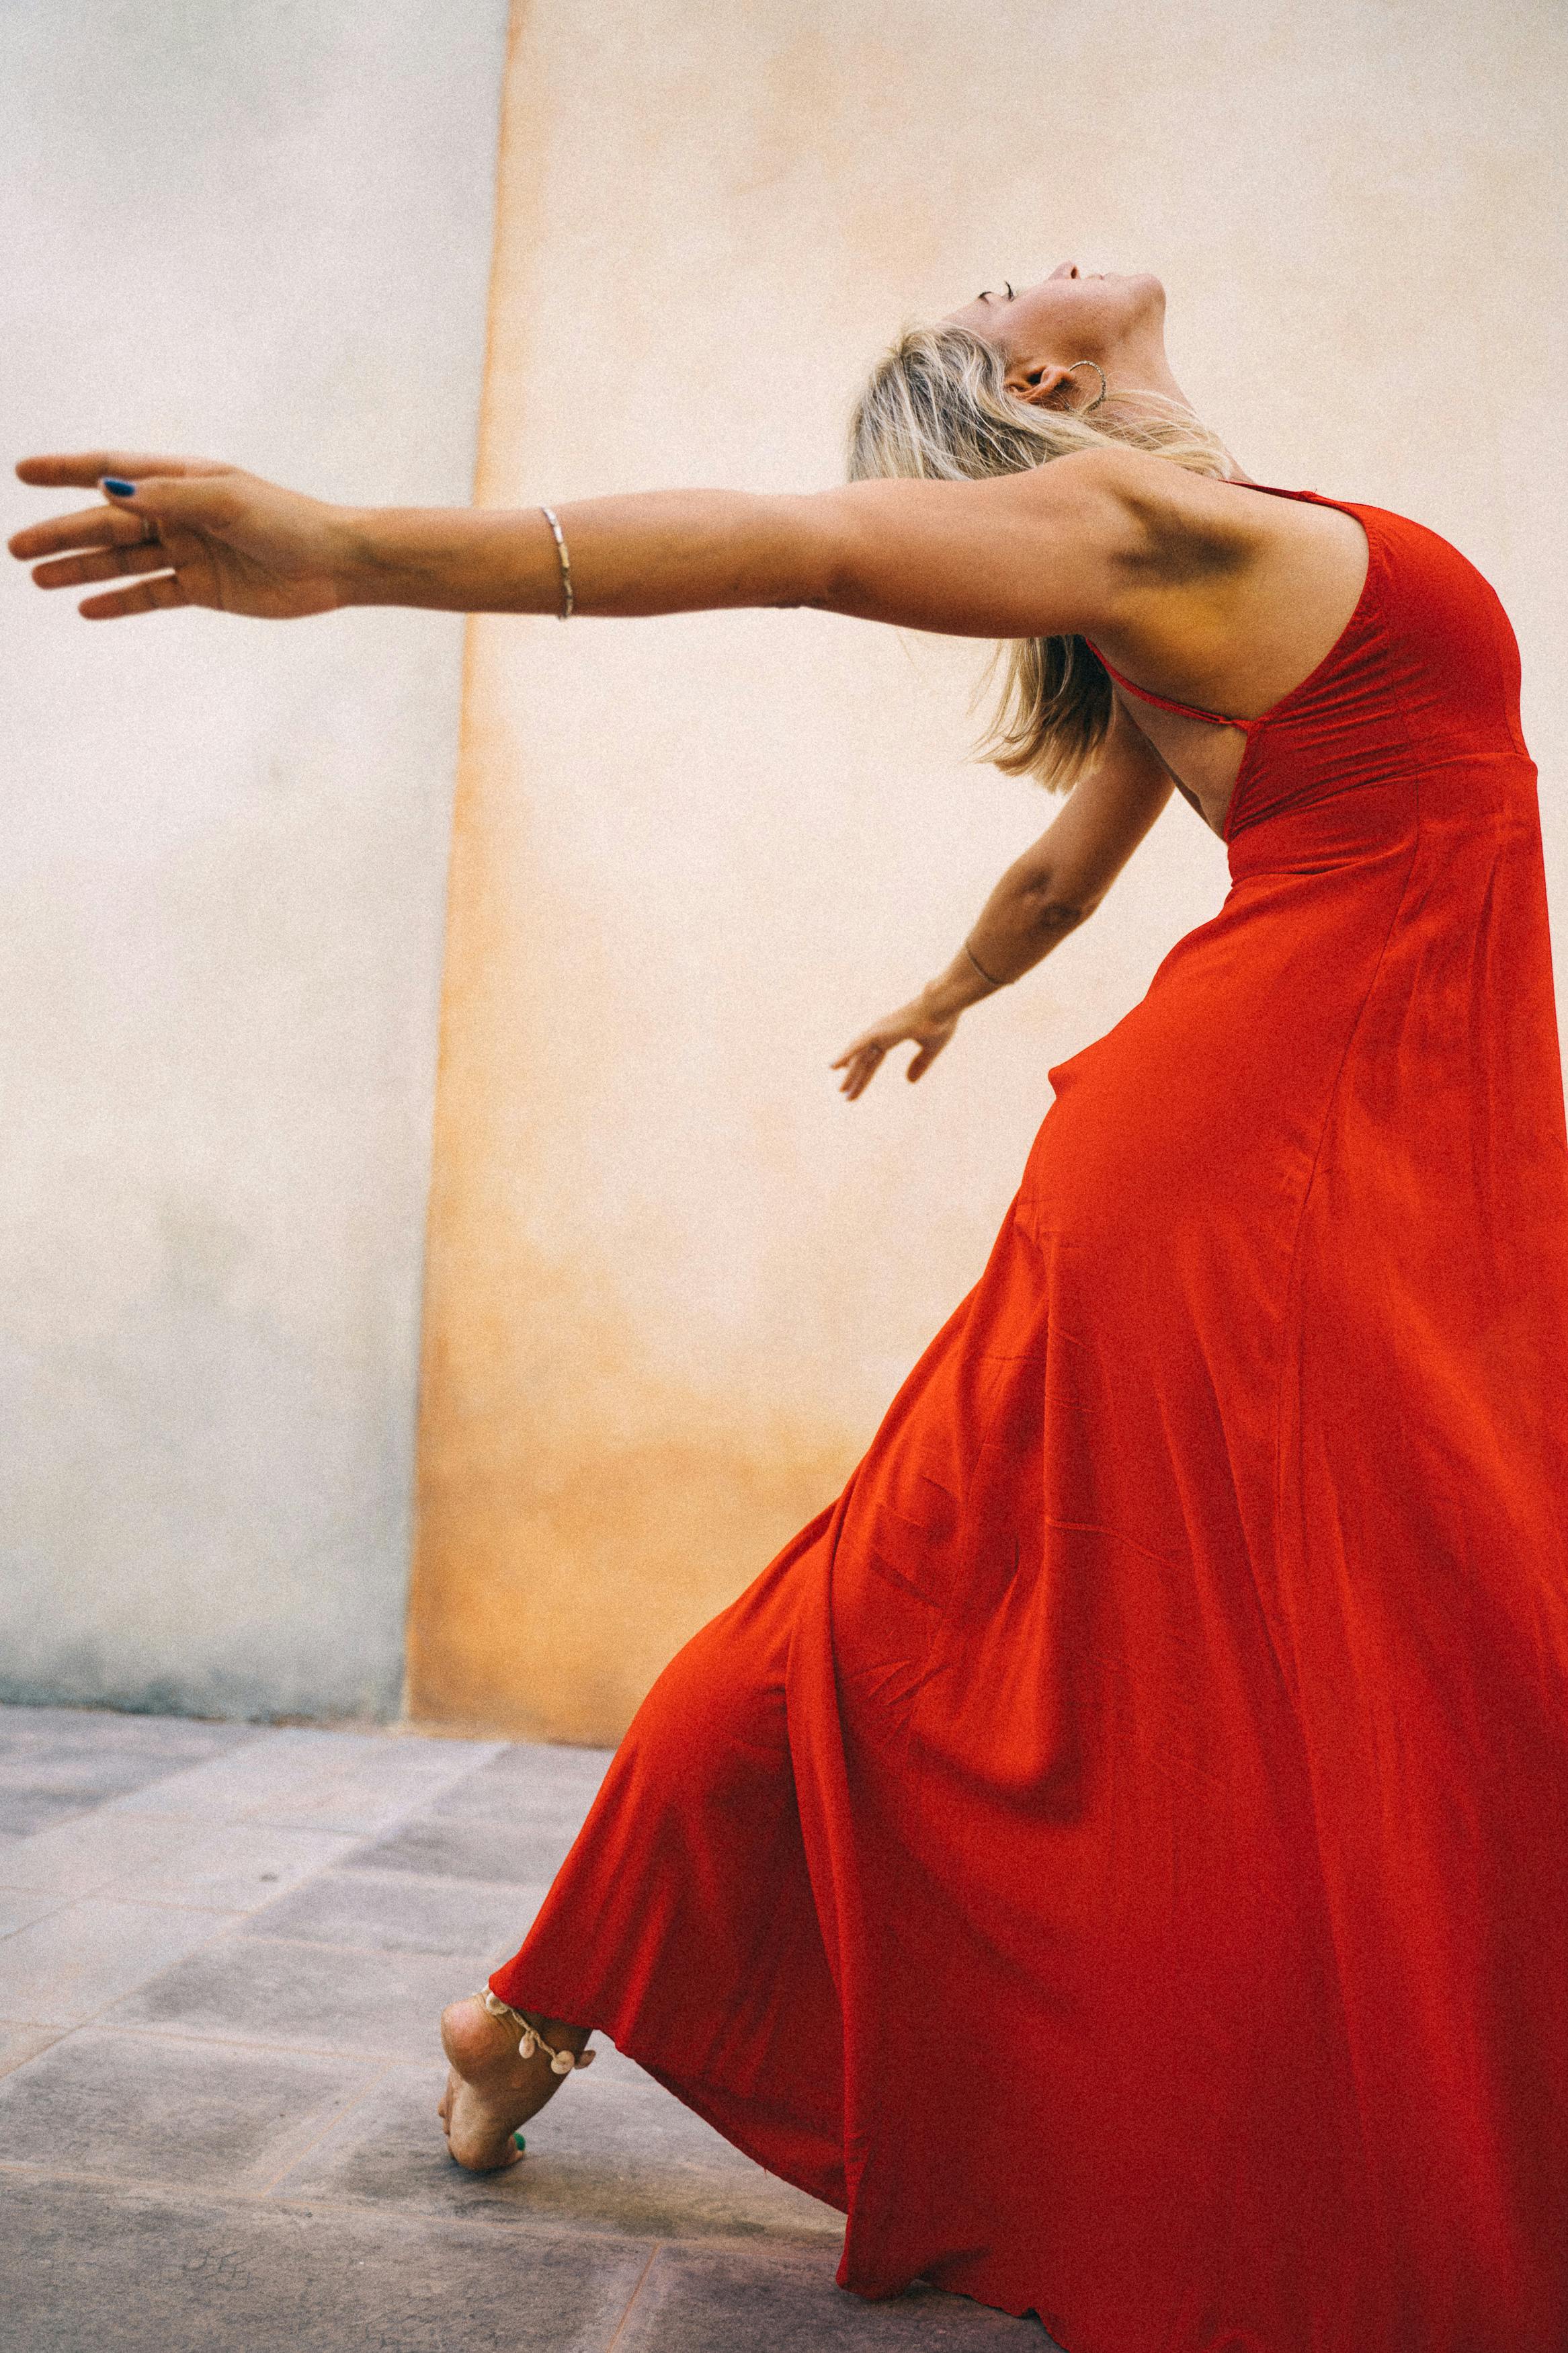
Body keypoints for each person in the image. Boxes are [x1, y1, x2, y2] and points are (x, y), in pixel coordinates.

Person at [11, 262, 1568, 2353]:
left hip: (1363, 1143)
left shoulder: (1203, 563)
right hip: (1276, 1165)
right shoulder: (1152, 534)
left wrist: (955, 989)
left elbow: (1065, 868)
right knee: (939, 1608)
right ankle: (562, 1996)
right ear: (1042, 384)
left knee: (977, 1603)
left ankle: (526, 2006)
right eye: (1000, 298)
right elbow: (805, 546)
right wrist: (356, 548)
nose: (1014, 272)